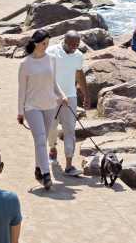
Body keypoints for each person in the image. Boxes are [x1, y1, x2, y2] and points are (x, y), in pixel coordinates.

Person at [16, 30, 68, 190]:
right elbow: (21, 90)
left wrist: (62, 95)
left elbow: (53, 83)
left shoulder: (51, 59)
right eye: (44, 43)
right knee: (39, 139)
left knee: (42, 141)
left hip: (50, 105)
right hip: (32, 107)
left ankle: (39, 168)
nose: (46, 46)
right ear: (36, 43)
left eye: (48, 43)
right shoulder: (25, 64)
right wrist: (20, 112)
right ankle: (46, 175)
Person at [46, 31, 90, 177]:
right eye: (71, 44)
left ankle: (69, 165)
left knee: (70, 130)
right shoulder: (51, 52)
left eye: (77, 44)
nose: (74, 47)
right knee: (51, 128)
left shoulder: (78, 55)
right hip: (52, 97)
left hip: (70, 97)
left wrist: (86, 94)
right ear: (64, 40)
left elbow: (79, 74)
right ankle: (52, 148)